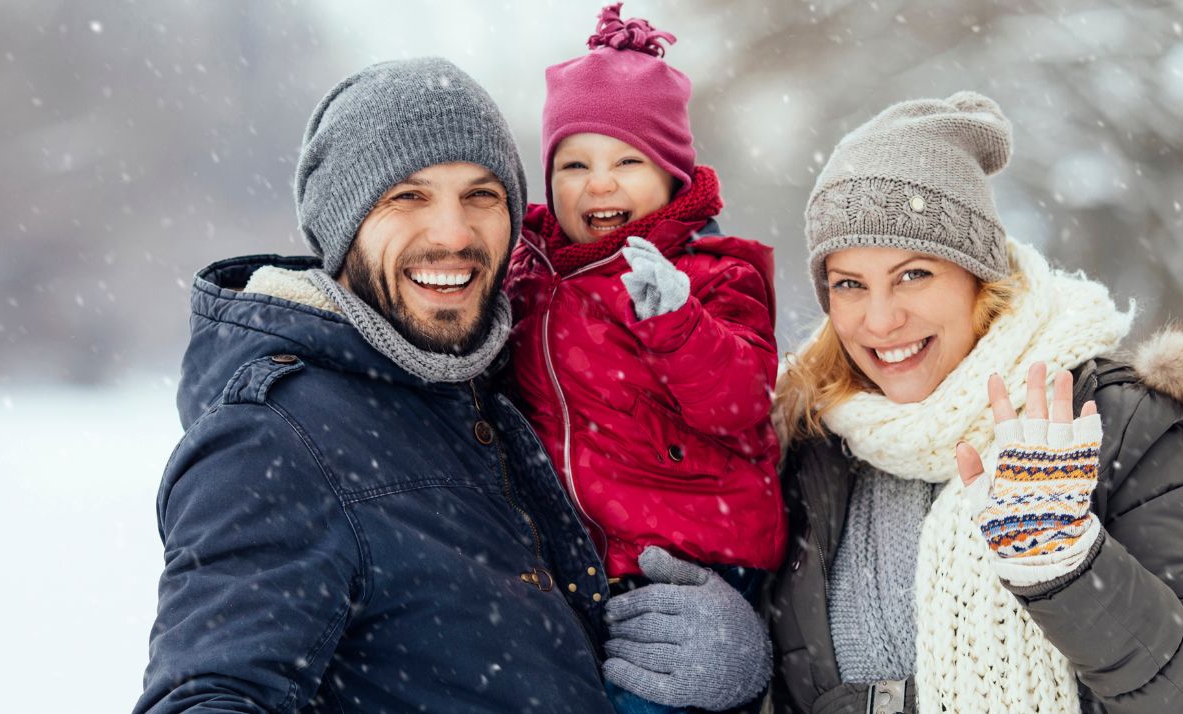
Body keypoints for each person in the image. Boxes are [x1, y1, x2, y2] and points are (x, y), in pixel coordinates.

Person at [134, 56, 768, 714]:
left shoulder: (515, 392)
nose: (453, 234)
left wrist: (735, 660)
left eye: (481, 196)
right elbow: (210, 696)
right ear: (342, 226)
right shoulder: (274, 439)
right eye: (406, 196)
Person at [765, 91, 1183, 713]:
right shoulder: (812, 444)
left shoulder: (1116, 422)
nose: (881, 319)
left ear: (979, 279)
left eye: (914, 274)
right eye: (850, 285)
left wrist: (1064, 564)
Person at [504, 4, 781, 712]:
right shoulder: (533, 275)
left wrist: (675, 319)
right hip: (585, 565)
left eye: (627, 161)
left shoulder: (714, 275)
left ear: (671, 177)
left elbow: (740, 400)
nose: (599, 184)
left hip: (691, 566)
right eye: (575, 163)